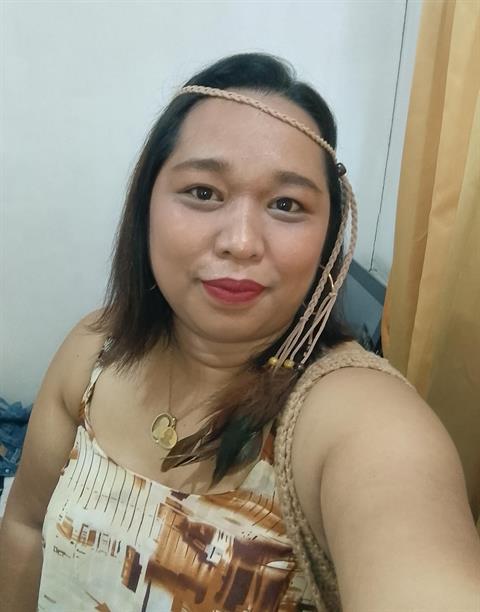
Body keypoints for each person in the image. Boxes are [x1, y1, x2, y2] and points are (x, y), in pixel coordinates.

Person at [1, 53, 479, 612]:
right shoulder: (93, 348)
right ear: (145, 205)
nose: (241, 242)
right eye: (204, 192)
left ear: (329, 239)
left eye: (286, 204)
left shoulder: (361, 419)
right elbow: (25, 525)